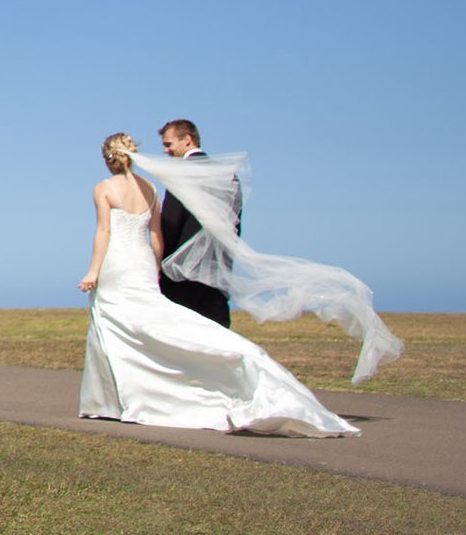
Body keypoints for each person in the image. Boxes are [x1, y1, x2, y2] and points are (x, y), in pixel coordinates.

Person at [77, 132, 359, 436]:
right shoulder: (151, 190)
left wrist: (93, 270)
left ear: (108, 159)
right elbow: (156, 236)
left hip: (117, 263)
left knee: (114, 324)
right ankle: (123, 397)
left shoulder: (103, 188)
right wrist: (155, 268)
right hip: (143, 263)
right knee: (150, 322)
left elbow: (104, 231)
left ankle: (109, 401)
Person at [156, 118, 236, 328]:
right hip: (215, 273)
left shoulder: (181, 174)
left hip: (181, 275)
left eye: (168, 144)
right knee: (217, 337)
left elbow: (170, 224)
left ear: (188, 140)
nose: (165, 151)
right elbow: (234, 225)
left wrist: (160, 264)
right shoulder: (228, 176)